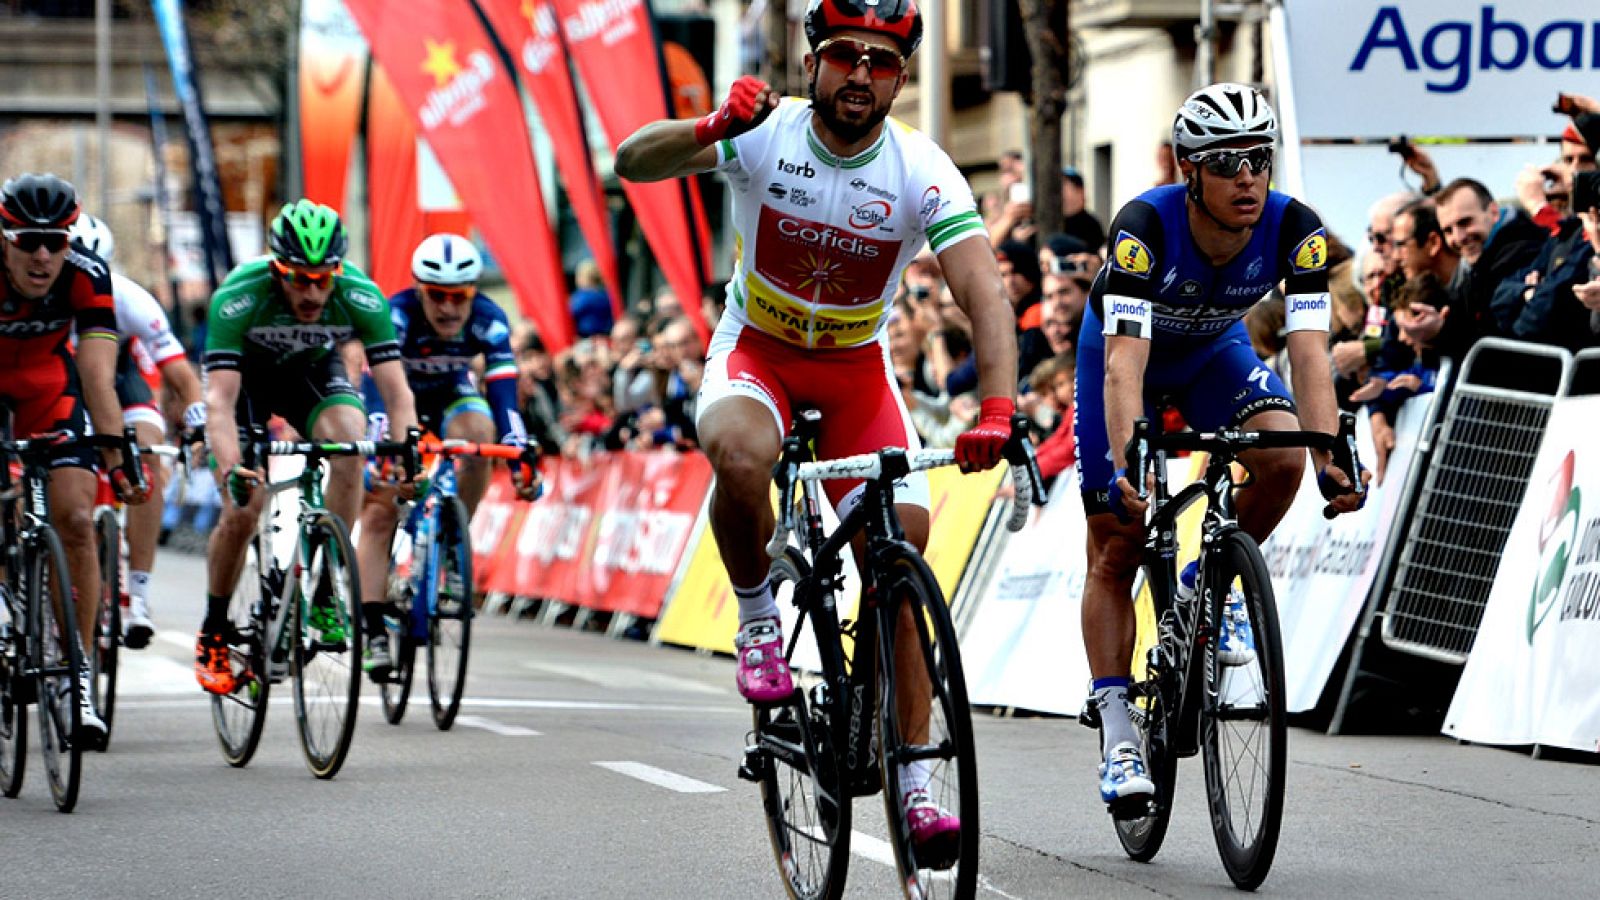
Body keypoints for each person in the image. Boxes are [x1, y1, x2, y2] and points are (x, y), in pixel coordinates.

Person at [613, 0, 1018, 863]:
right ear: (812, 63)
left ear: (901, 76)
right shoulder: (764, 132)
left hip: (854, 371)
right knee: (741, 454)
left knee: (903, 553)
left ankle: (914, 782)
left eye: (881, 62)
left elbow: (983, 292)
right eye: (844, 56)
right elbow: (629, 162)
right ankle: (759, 616)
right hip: (756, 352)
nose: (861, 76)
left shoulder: (921, 166)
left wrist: (997, 408)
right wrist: (709, 126)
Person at [1075, 84, 1367, 812]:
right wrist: (1123, 462)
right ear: (1188, 169)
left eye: (1259, 159)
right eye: (1227, 161)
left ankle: (1205, 581)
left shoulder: (1297, 228)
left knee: (1283, 457)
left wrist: (1330, 450)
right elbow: (1123, 367)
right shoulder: (1145, 224)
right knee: (1117, 541)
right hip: (1122, 359)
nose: (1247, 176)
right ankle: (1116, 733)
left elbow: (1307, 352)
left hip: (1213, 352)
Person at [194, 199, 420, 695]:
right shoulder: (238, 296)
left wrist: (409, 452)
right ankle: (213, 630)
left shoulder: (361, 295)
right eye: (299, 278)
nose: (313, 290)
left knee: (349, 442)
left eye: (324, 278)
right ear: (277, 269)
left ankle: (323, 584)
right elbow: (219, 401)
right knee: (243, 508)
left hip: (311, 374)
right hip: (247, 385)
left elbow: (398, 392)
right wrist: (232, 466)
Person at [0, 173, 147, 744]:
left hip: (48, 390)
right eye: (27, 241)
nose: (42, 256)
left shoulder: (87, 276)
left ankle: (78, 676)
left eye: (55, 241)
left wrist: (117, 458)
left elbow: (97, 378)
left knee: (79, 521)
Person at [355, 233, 540, 679]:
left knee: (480, 433)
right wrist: (383, 448)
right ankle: (372, 626)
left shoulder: (490, 320)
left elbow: (505, 401)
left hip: (452, 396)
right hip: (398, 402)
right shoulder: (395, 316)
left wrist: (519, 457)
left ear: (473, 294)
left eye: (459, 297)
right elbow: (377, 393)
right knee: (379, 513)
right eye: (436, 296)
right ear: (419, 289)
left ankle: (454, 540)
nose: (448, 308)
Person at [68, 212, 206, 649]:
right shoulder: (43, 297)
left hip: (118, 382)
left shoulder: (130, 298)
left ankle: (140, 596)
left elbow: (181, 375)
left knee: (149, 452)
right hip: (61, 386)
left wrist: (199, 419)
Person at [569, 259, 615, 339]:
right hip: (606, 337)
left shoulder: (583, 296)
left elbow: (570, 312)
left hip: (586, 338)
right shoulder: (606, 294)